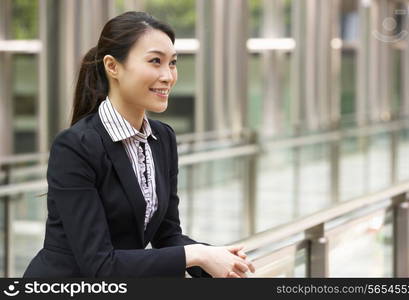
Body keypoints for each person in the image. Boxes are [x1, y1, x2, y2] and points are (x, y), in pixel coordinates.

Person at [23, 11, 255, 278]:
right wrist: (198, 254)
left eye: (173, 63)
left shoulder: (162, 138)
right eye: (155, 61)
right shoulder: (76, 146)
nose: (168, 76)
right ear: (112, 67)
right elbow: (100, 265)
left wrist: (224, 262)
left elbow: (167, 235)